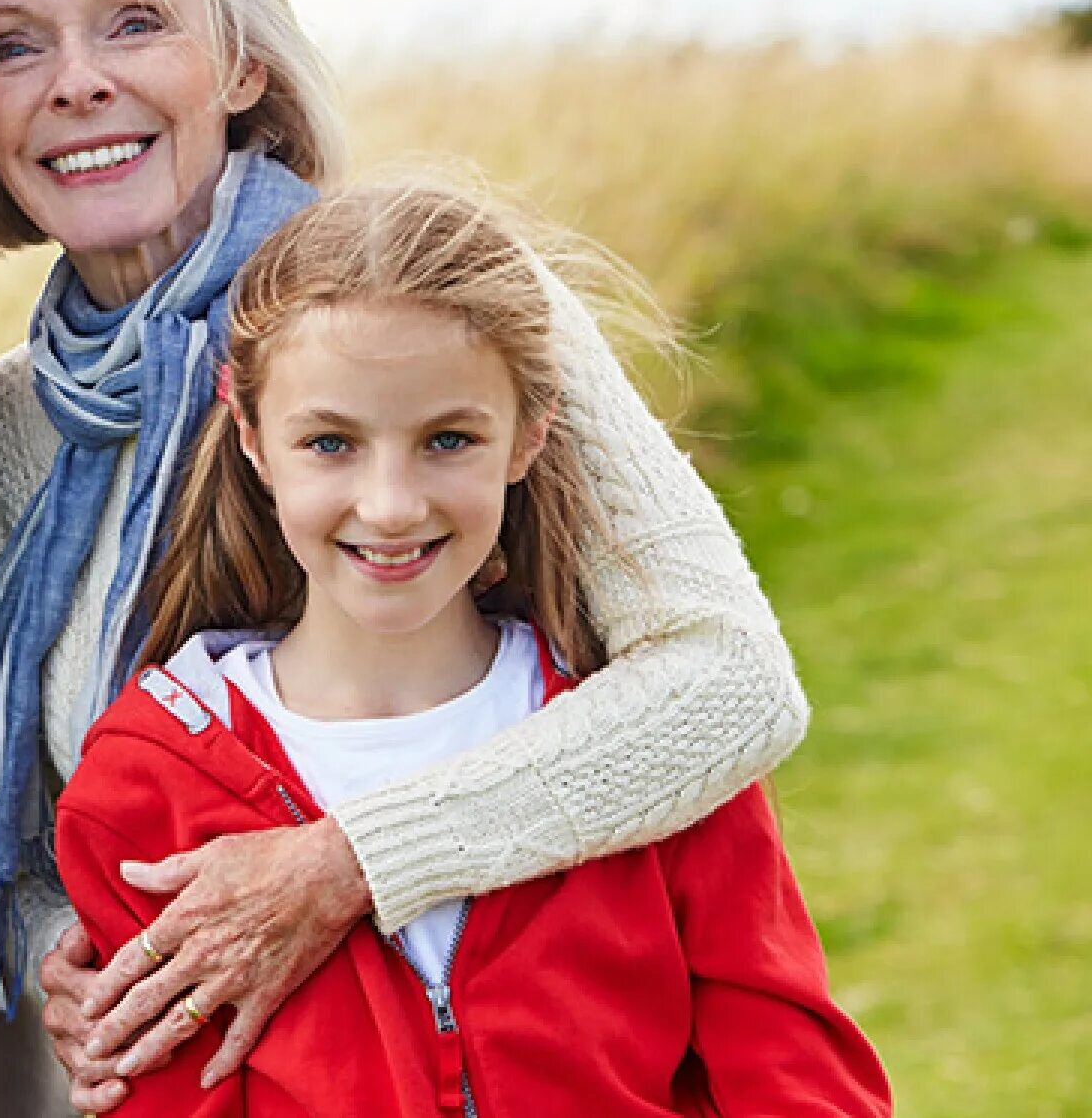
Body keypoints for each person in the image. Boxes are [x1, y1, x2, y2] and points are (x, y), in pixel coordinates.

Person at [0, 0, 811, 1114]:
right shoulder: (7, 435)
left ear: (242, 60)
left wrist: (347, 866)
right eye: (14, 45)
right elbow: (65, 814)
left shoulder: (435, 313)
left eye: (135, 21)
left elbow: (731, 688)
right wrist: (70, 949)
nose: (78, 83)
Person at [53, 182, 891, 1116]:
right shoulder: (144, 789)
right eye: (330, 443)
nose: (392, 505)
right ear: (251, 436)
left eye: (447, 439)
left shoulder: (650, 745)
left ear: (530, 434)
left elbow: (795, 1082)